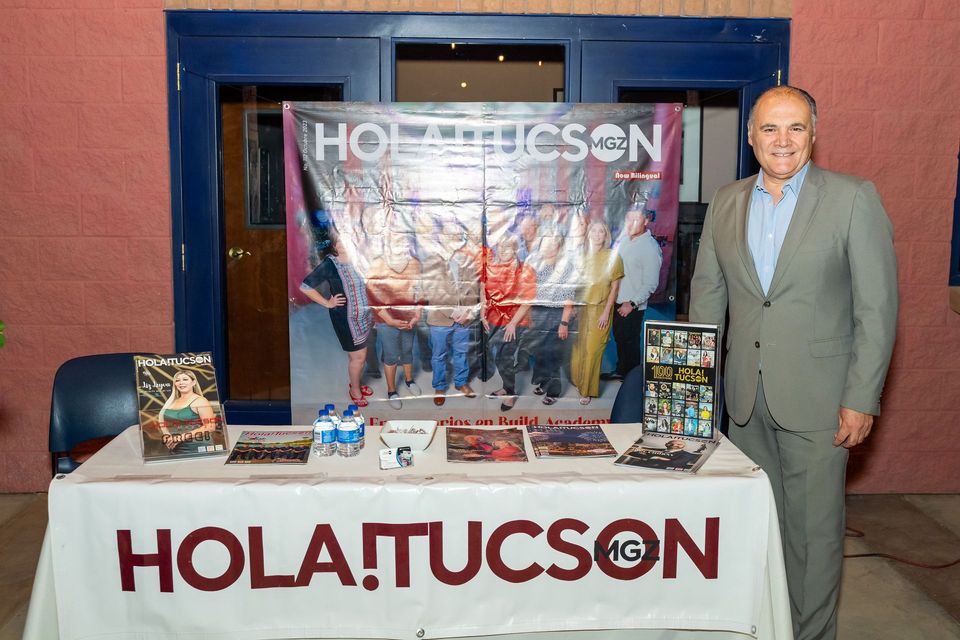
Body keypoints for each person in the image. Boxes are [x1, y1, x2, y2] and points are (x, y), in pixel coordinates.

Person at [689, 85, 898, 640]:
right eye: (770, 129)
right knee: (755, 531)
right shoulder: (727, 200)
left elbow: (876, 310)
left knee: (813, 538)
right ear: (751, 135)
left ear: (814, 134)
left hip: (819, 403)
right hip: (743, 403)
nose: (783, 141)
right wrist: (692, 393)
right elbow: (707, 300)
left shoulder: (853, 198)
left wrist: (860, 398)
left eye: (796, 128)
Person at [300, 228, 375, 407]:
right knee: (358, 357)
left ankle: (356, 382)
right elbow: (305, 286)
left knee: (360, 356)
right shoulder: (330, 264)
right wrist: (328, 303)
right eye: (340, 242)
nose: (344, 245)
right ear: (334, 245)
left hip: (364, 316)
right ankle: (354, 390)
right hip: (346, 319)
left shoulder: (360, 260)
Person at [422, 219, 482, 406]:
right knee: (439, 355)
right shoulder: (432, 260)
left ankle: (461, 383)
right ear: (440, 237)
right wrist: (453, 312)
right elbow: (431, 291)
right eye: (450, 235)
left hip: (464, 318)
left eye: (457, 235)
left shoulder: (467, 260)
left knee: (461, 353)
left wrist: (469, 314)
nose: (454, 238)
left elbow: (474, 289)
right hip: (440, 319)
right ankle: (439, 386)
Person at [602, 207, 662, 381]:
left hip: (631, 304)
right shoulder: (626, 241)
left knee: (630, 342)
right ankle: (622, 370)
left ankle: (632, 380)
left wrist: (632, 304)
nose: (631, 223)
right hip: (617, 299)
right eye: (628, 219)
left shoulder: (650, 247)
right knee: (620, 339)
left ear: (645, 221)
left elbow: (651, 283)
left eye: (636, 219)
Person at [365, 230, 423, 409]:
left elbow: (420, 289)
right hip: (386, 319)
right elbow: (372, 295)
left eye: (405, 242)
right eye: (397, 242)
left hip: (408, 317)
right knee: (391, 355)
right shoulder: (378, 265)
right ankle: (391, 391)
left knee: (407, 350)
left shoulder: (414, 263)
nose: (401, 246)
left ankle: (409, 380)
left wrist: (418, 313)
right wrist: (389, 320)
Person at [569, 221, 624, 405]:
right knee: (579, 349)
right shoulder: (581, 256)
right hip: (581, 309)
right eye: (594, 230)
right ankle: (579, 381)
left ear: (606, 235)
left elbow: (615, 289)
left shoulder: (613, 257)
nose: (598, 234)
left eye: (602, 231)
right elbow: (575, 285)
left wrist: (606, 313)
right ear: (589, 234)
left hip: (600, 309)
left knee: (593, 350)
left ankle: (587, 390)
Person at [483, 235, 537, 411]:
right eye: (500, 246)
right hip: (494, 319)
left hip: (515, 322)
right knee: (499, 356)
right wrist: (483, 313)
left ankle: (510, 394)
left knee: (505, 358)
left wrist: (513, 323)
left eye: (507, 247)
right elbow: (484, 290)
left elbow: (527, 300)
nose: (503, 250)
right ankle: (506, 387)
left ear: (515, 249)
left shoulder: (525, 270)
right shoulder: (493, 267)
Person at [525, 230, 576, 405]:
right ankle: (544, 381)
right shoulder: (537, 264)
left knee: (553, 354)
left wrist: (564, 322)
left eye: (553, 243)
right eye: (545, 243)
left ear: (559, 245)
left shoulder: (566, 266)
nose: (548, 247)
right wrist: (530, 316)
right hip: (538, 312)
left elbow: (569, 296)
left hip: (556, 314)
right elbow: (531, 293)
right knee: (540, 352)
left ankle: (554, 390)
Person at [158, 370, 222, 453]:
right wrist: (167, 436)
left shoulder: (200, 401)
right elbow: (161, 419)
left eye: (185, 379)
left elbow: (210, 427)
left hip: (197, 448)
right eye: (177, 380)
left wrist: (181, 437)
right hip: (175, 448)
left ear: (193, 382)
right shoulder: (171, 401)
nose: (181, 383)